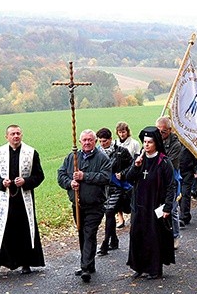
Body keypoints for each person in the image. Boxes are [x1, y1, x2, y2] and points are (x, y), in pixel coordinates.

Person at [0, 125, 45, 279]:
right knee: (1, 231)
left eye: (18, 133)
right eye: (12, 134)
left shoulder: (31, 152)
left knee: (24, 230)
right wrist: (1, 182)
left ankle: (26, 262)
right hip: (5, 199)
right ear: (6, 136)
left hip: (23, 198)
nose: (16, 136)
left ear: (22, 135)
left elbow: (39, 176)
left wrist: (26, 181)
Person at [57, 129, 111, 283]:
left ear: (94, 141)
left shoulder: (102, 158)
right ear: (80, 142)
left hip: (95, 204)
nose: (87, 142)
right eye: (84, 140)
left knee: (89, 233)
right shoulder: (72, 157)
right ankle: (89, 263)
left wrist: (84, 176)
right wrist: (70, 183)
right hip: (78, 205)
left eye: (90, 140)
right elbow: (61, 175)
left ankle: (85, 267)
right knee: (82, 233)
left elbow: (106, 177)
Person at [124, 127, 176, 279]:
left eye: (150, 142)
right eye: (144, 142)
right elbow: (128, 178)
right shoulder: (139, 159)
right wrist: (136, 166)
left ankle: (154, 269)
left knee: (153, 236)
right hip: (139, 205)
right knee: (137, 235)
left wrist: (167, 207)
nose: (146, 145)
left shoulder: (163, 162)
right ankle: (138, 266)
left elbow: (171, 186)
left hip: (156, 205)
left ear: (156, 144)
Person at [95, 127, 133, 256]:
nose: (102, 144)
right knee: (108, 214)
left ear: (111, 139)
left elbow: (132, 167)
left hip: (117, 188)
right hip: (102, 189)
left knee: (110, 211)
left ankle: (105, 243)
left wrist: (122, 173)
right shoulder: (97, 153)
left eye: (104, 141)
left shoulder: (121, 152)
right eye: (100, 141)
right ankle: (114, 240)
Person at [156, 116, 183, 249]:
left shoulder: (176, 145)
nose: (160, 134)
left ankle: (176, 236)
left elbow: (168, 165)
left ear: (170, 130)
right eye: (158, 131)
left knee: (171, 210)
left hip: (170, 180)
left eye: (164, 131)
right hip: (156, 181)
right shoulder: (153, 141)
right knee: (157, 210)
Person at [115, 121, 140, 229]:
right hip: (117, 175)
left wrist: (125, 173)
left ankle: (133, 214)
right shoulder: (115, 143)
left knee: (131, 195)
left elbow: (136, 160)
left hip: (129, 173)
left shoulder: (134, 143)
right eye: (119, 132)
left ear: (127, 132)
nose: (122, 134)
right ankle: (120, 218)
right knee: (117, 196)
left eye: (123, 132)